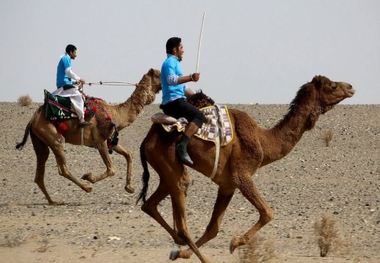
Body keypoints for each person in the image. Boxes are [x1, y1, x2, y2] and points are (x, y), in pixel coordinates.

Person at [160, 37, 206, 166]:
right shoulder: (169, 62)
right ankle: (182, 145)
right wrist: (191, 77)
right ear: (175, 50)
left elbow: (182, 87)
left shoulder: (175, 63)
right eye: (181, 48)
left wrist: (198, 96)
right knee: (199, 116)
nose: (183, 51)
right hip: (174, 103)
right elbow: (171, 80)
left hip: (178, 99)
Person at [53, 44, 90, 127]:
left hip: (65, 83)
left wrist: (75, 82)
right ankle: (81, 119)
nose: (76, 55)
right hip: (64, 84)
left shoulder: (65, 58)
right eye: (75, 52)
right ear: (71, 52)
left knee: (79, 93)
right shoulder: (66, 58)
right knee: (79, 96)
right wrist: (79, 79)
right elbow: (68, 72)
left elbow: (67, 76)